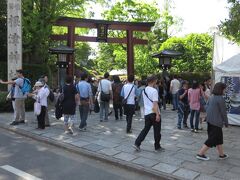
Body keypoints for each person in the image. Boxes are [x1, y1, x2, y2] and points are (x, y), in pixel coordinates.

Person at [196, 82, 228, 161]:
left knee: (219, 138)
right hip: (216, 122)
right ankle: (200, 154)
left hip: (210, 121)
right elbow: (223, 112)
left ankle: (221, 155)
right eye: (225, 89)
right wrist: (226, 122)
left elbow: (206, 106)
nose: (225, 91)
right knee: (212, 139)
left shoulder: (212, 97)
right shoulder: (220, 99)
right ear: (221, 89)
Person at [133, 75, 162, 151]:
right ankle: (157, 146)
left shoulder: (144, 90)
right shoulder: (154, 91)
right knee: (157, 131)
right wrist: (157, 115)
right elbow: (155, 104)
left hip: (147, 113)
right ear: (154, 81)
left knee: (145, 130)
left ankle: (137, 143)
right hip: (154, 112)